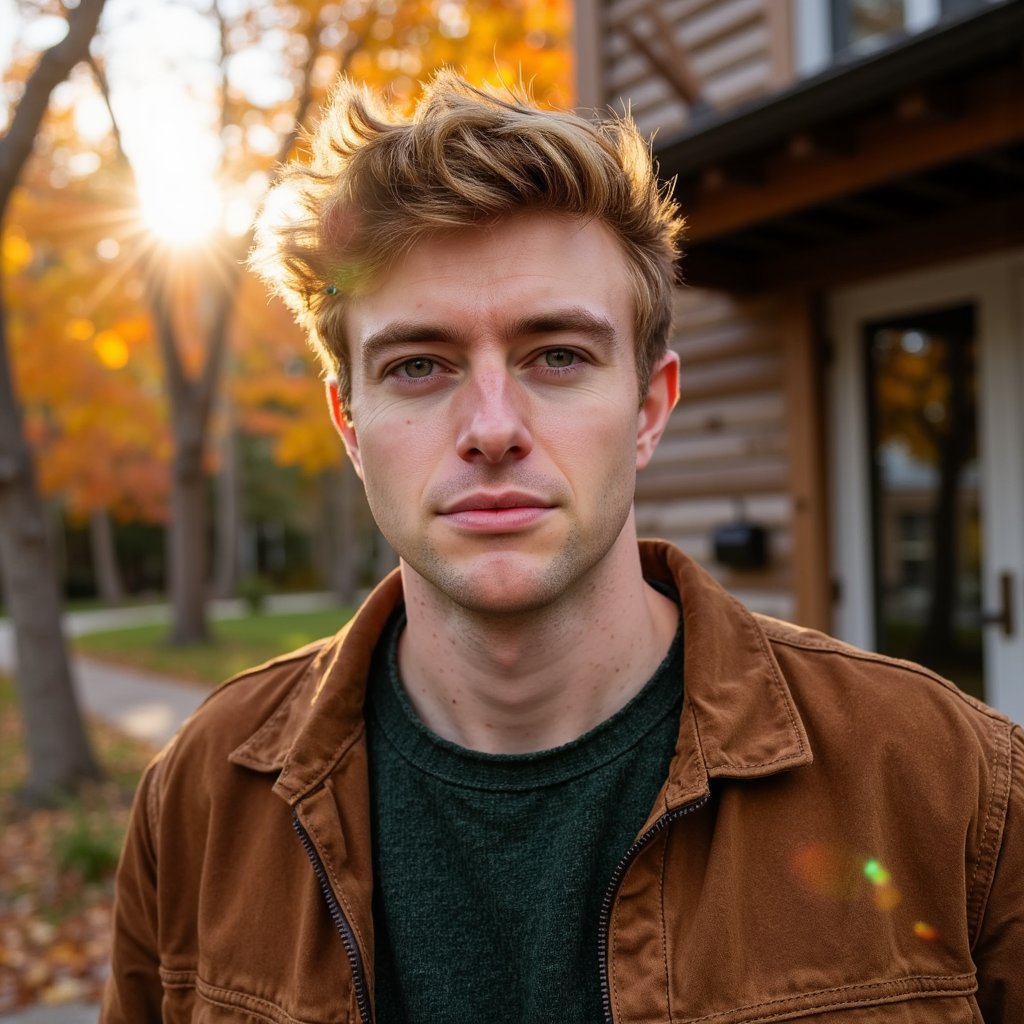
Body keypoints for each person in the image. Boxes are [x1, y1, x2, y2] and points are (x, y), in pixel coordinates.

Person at [102, 71, 1023, 1024]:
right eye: (419, 366)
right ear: (349, 421)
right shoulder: (203, 797)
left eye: (558, 356)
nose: (492, 428)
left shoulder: (950, 785)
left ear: (649, 408)